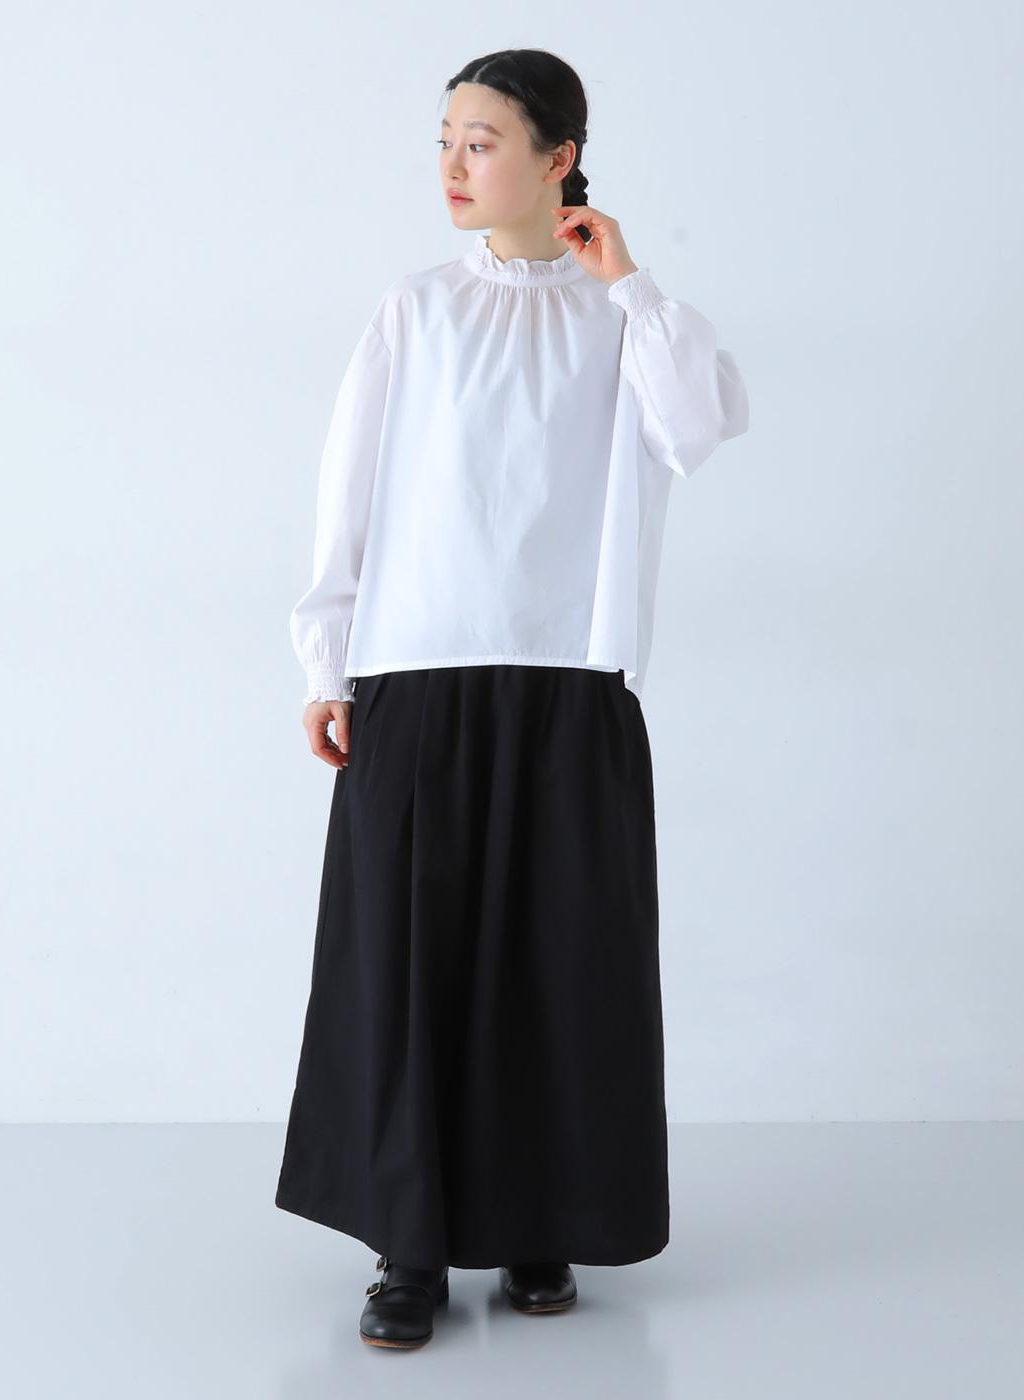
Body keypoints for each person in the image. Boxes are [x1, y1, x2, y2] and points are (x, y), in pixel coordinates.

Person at [274, 48, 749, 1350]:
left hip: (571, 679)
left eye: (480, 142)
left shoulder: (624, 318)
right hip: (416, 675)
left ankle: (546, 1220)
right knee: (410, 969)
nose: (452, 166)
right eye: (444, 141)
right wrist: (325, 662)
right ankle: (410, 1244)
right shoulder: (416, 310)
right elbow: (348, 492)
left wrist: (630, 278)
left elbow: (695, 428)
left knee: (562, 962)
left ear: (560, 158)